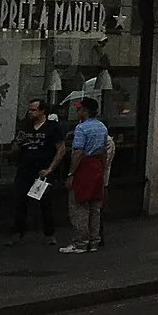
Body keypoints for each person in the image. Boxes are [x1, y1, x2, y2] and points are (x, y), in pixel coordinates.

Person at [9, 98, 64, 244]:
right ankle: (18, 232)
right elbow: (14, 149)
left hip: (42, 170)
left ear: (42, 111)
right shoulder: (25, 127)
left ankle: (49, 233)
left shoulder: (52, 127)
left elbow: (61, 149)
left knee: (44, 202)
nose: (30, 112)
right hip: (25, 168)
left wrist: (50, 169)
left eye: (34, 110)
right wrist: (18, 145)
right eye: (30, 110)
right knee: (20, 200)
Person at [61, 98, 107, 254]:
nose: (77, 111)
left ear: (86, 111)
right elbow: (104, 151)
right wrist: (103, 169)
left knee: (79, 206)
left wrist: (71, 173)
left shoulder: (81, 128)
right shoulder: (102, 127)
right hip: (97, 166)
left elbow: (78, 152)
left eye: (79, 109)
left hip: (84, 166)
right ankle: (94, 241)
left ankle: (80, 242)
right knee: (95, 207)